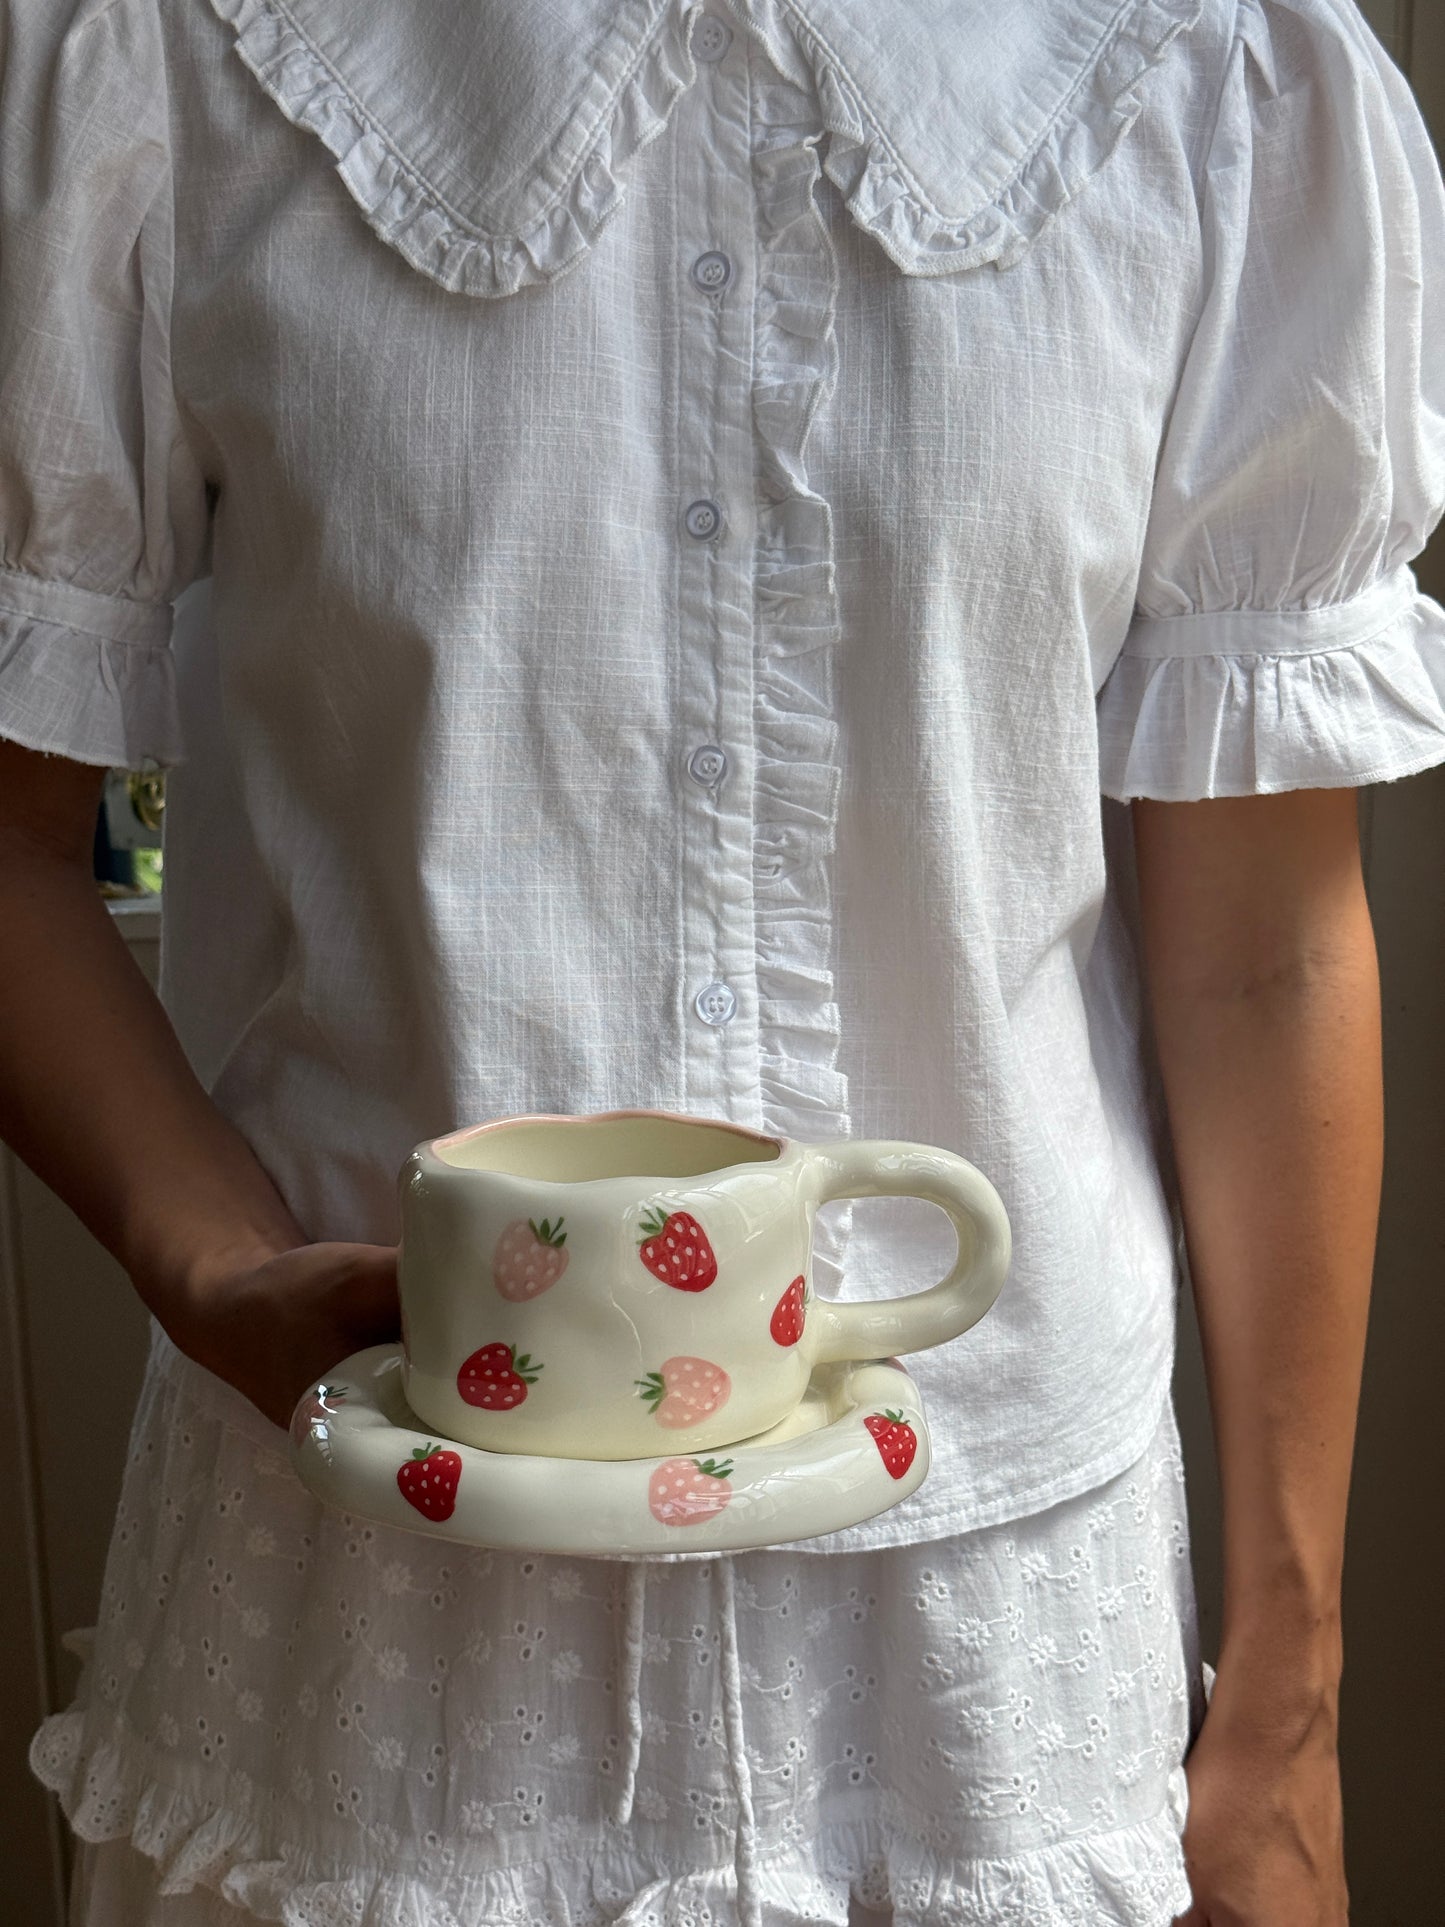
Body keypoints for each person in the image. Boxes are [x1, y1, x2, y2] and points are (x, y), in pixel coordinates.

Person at [2, 0, 1442, 1920]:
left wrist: (1282, 1702)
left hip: (988, 1636)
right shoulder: (173, 58)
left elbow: (1259, 950)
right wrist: (219, 1270)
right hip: (363, 1610)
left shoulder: (1213, 76)